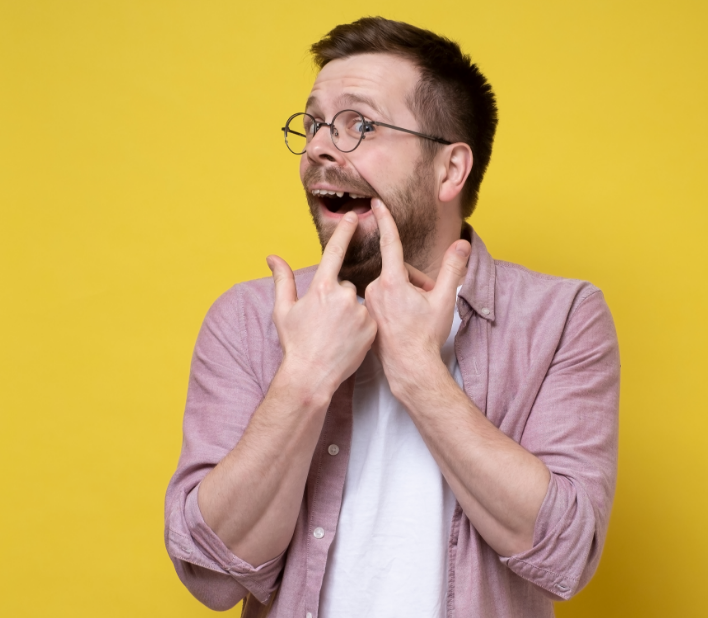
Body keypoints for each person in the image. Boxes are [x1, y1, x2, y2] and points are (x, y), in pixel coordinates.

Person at [164, 16, 620, 618]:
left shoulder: (560, 317)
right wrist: (302, 380)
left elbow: (565, 557)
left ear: (449, 170)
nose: (322, 147)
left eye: (361, 124)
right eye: (316, 124)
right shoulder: (249, 319)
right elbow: (211, 574)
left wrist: (419, 372)